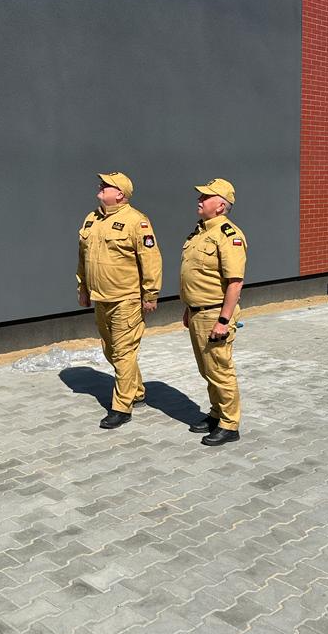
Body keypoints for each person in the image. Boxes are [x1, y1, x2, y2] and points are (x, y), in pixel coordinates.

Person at [77, 172, 163, 428]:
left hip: (126, 299)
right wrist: (83, 288)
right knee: (110, 350)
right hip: (101, 298)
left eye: (107, 185)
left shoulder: (137, 221)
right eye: (101, 183)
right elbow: (82, 257)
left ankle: (121, 407)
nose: (101, 186)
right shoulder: (92, 218)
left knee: (124, 352)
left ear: (120, 194)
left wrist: (150, 293)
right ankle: (137, 391)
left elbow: (151, 260)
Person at [180, 178, 247, 446]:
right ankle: (217, 413)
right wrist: (189, 308)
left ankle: (230, 425)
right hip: (198, 312)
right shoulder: (200, 232)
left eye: (205, 197)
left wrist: (223, 320)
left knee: (220, 369)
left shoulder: (228, 235)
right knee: (207, 369)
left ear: (220, 206)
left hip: (215, 314)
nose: (199, 200)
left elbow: (235, 282)